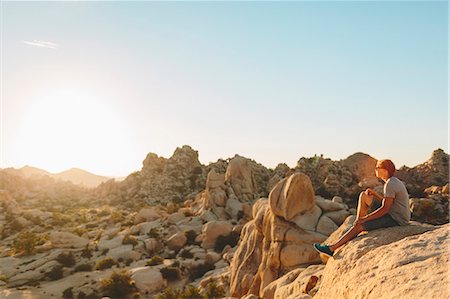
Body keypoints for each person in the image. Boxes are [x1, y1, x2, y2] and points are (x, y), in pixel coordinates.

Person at [313, 159, 410, 257]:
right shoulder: (393, 182)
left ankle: (333, 248)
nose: (375, 169)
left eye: (378, 168)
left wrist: (365, 219)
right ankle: (358, 223)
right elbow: (390, 203)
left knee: (360, 225)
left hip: (396, 219)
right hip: (395, 213)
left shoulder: (390, 184)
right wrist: (375, 195)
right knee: (364, 195)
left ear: (385, 170)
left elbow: (385, 209)